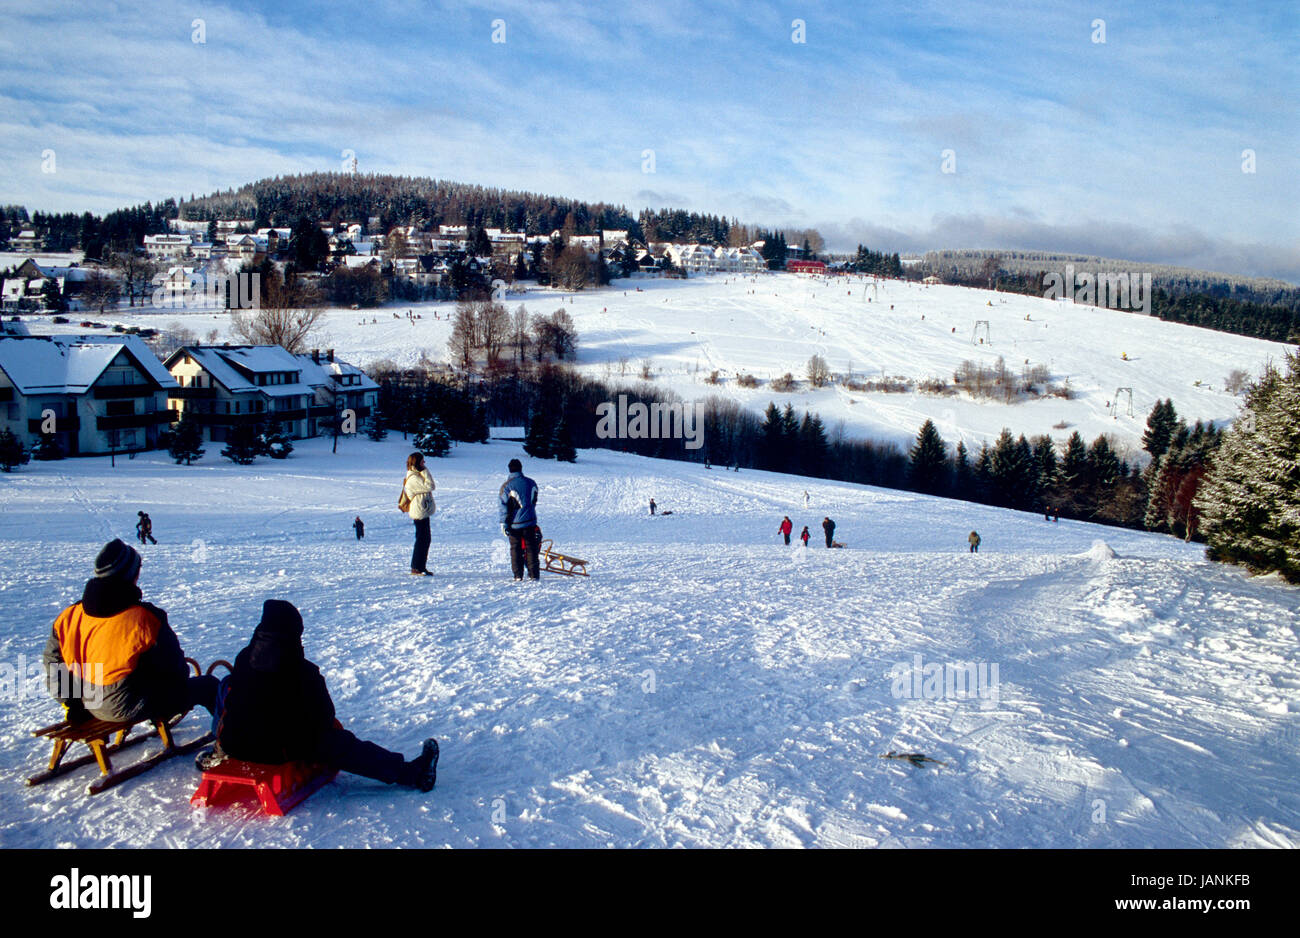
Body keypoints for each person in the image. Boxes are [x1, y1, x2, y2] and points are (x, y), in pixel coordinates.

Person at [207, 600, 438, 792]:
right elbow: (324, 718)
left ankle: (220, 748)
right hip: (277, 750)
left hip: (235, 744)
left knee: (227, 684)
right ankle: (411, 773)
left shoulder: (243, 658)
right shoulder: (304, 672)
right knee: (338, 742)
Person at [43, 539, 216, 724]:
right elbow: (175, 668)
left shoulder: (70, 615)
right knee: (209, 686)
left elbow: (53, 661)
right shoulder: (145, 618)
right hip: (124, 706)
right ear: (130, 575)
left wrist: (71, 702)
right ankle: (231, 743)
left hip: (84, 702)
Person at [499, 458, 540, 581]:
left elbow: (503, 507)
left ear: (509, 469)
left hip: (514, 525)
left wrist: (504, 524)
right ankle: (534, 574)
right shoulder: (531, 482)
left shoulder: (506, 486)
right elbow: (534, 500)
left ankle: (518, 575)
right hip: (530, 522)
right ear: (521, 468)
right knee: (531, 548)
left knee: (515, 549)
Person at [403, 453, 435, 576]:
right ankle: (416, 567)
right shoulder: (413, 478)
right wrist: (425, 471)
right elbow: (430, 486)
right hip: (419, 511)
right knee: (422, 539)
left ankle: (421, 566)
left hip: (422, 510)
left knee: (425, 539)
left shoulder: (416, 475)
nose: (424, 464)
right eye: (422, 462)